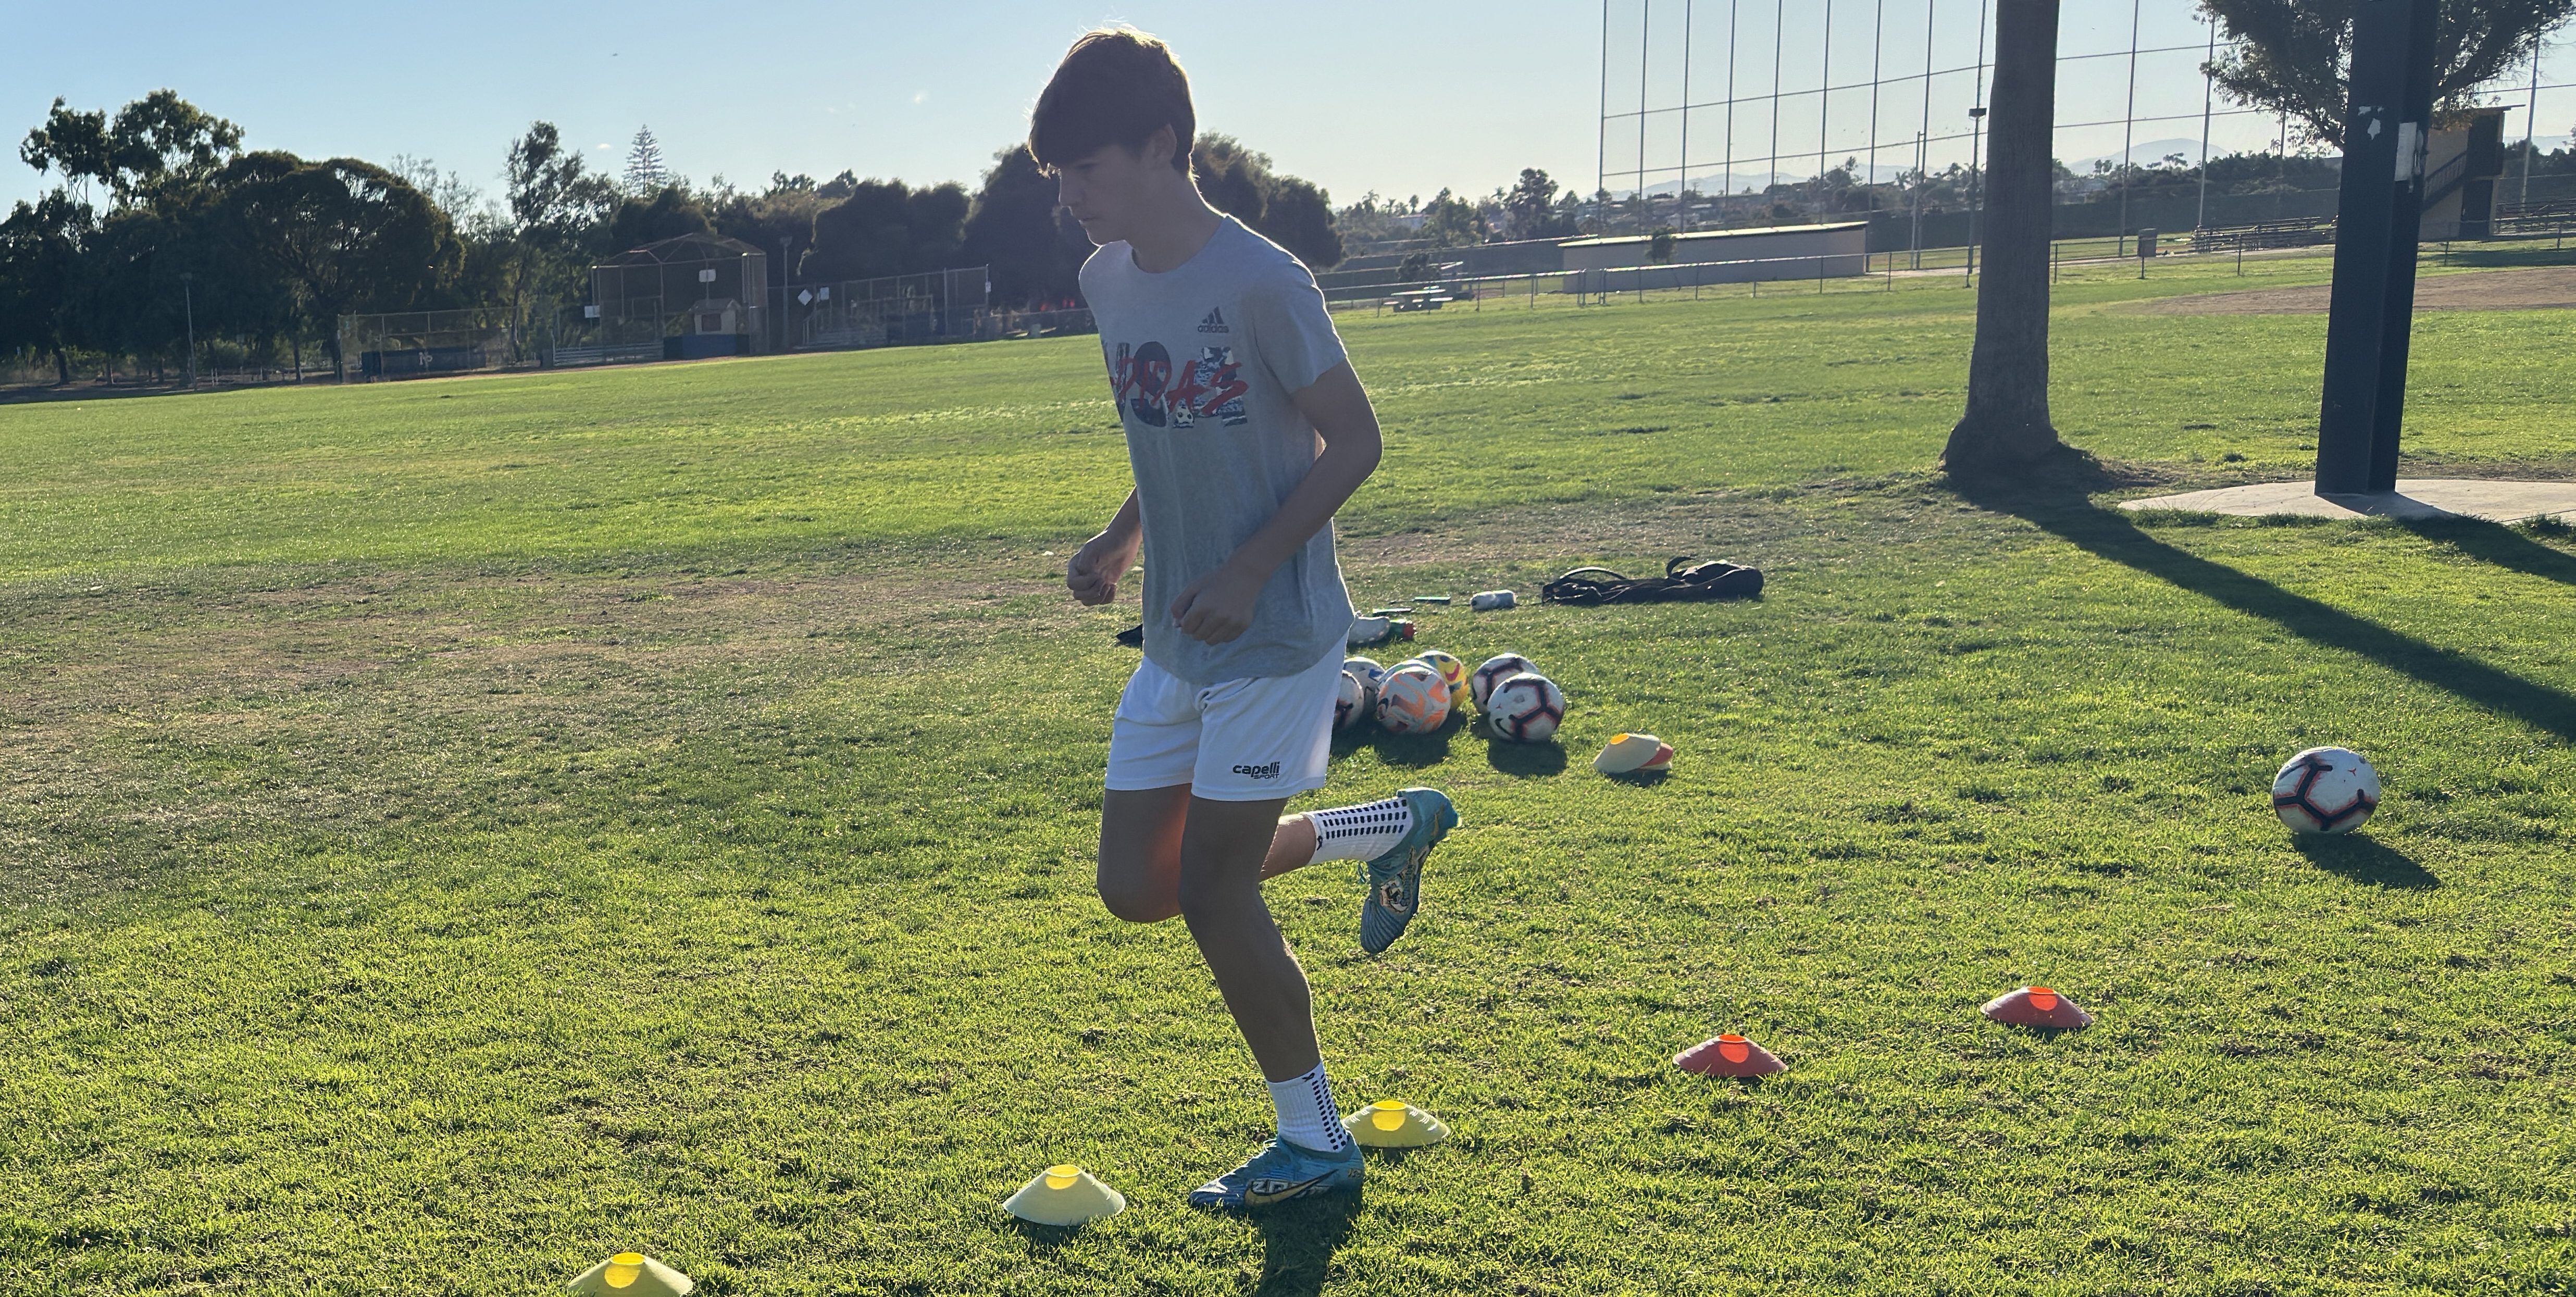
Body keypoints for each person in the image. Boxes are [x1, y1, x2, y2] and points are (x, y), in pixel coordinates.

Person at [1038, 28, 1458, 1211]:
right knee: (1140, 884)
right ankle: (1388, 825)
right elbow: (1171, 428)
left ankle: (1314, 1141)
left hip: (1274, 631)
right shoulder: (1108, 279)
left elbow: (1356, 441)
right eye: (1058, 177)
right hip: (1179, 632)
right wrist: (1121, 539)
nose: (1070, 199)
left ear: (1162, 145)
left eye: (1086, 171)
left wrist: (1249, 569)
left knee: (1215, 891)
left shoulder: (1266, 282)